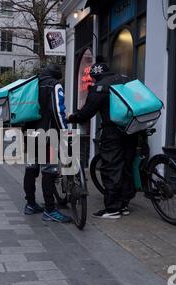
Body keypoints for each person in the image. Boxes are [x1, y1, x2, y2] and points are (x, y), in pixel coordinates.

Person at [67, 56, 138, 219]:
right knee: (126, 166)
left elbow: (86, 113)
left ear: (95, 76)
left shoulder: (100, 87)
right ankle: (124, 204)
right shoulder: (124, 80)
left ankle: (113, 208)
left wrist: (71, 117)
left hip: (113, 132)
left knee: (111, 168)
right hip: (132, 129)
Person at [23, 64, 72, 223]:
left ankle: (30, 204)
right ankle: (50, 210)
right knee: (49, 171)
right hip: (48, 134)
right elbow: (58, 111)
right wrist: (64, 131)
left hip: (31, 133)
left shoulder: (33, 83)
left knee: (31, 168)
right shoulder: (54, 85)